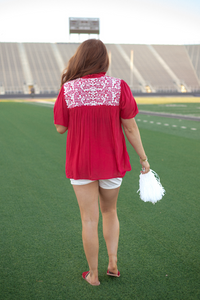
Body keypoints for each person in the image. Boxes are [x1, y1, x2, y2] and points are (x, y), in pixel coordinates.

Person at [54, 39, 150, 286]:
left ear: (80, 59)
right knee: (110, 211)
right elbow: (130, 127)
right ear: (104, 60)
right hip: (112, 161)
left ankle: (93, 275)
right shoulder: (119, 87)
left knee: (88, 219)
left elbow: (60, 128)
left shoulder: (69, 89)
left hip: (82, 163)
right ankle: (113, 264)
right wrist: (143, 157)